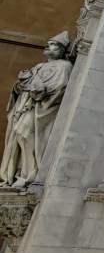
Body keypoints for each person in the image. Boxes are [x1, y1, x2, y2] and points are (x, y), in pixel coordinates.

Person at [1, 32, 73, 188]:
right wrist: (20, 86)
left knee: (24, 134)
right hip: (25, 106)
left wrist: (39, 91)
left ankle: (28, 176)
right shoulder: (39, 66)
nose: (48, 46)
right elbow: (22, 87)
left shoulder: (65, 67)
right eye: (48, 43)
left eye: (53, 44)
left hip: (41, 108)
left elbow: (61, 88)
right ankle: (17, 174)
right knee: (17, 137)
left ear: (62, 49)